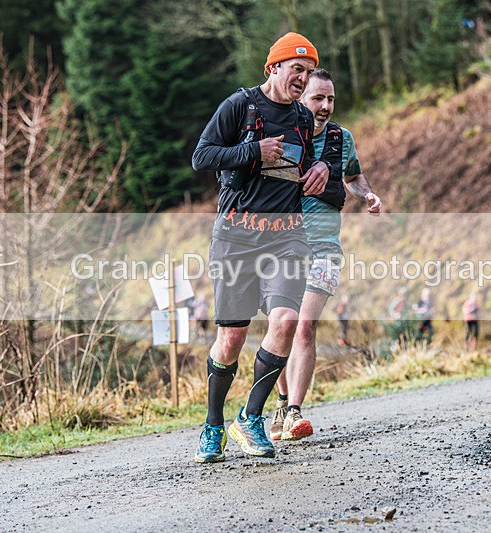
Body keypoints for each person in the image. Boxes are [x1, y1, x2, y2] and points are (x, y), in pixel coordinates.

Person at [190, 32, 329, 463]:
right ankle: (213, 425)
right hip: (235, 235)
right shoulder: (240, 107)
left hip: (286, 236)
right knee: (232, 337)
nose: (302, 81)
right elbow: (202, 156)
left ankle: (251, 417)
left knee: (286, 321)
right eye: (296, 71)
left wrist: (320, 168)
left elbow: (310, 161)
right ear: (274, 68)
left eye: (308, 73)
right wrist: (253, 150)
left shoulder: (305, 120)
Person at [271, 68, 382, 442]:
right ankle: (282, 403)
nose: (325, 106)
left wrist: (367, 195)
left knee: (305, 325)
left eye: (331, 99)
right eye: (318, 98)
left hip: (325, 249)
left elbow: (353, 177)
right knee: (281, 327)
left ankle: (296, 413)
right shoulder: (283, 136)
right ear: (302, 99)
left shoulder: (341, 138)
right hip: (282, 246)